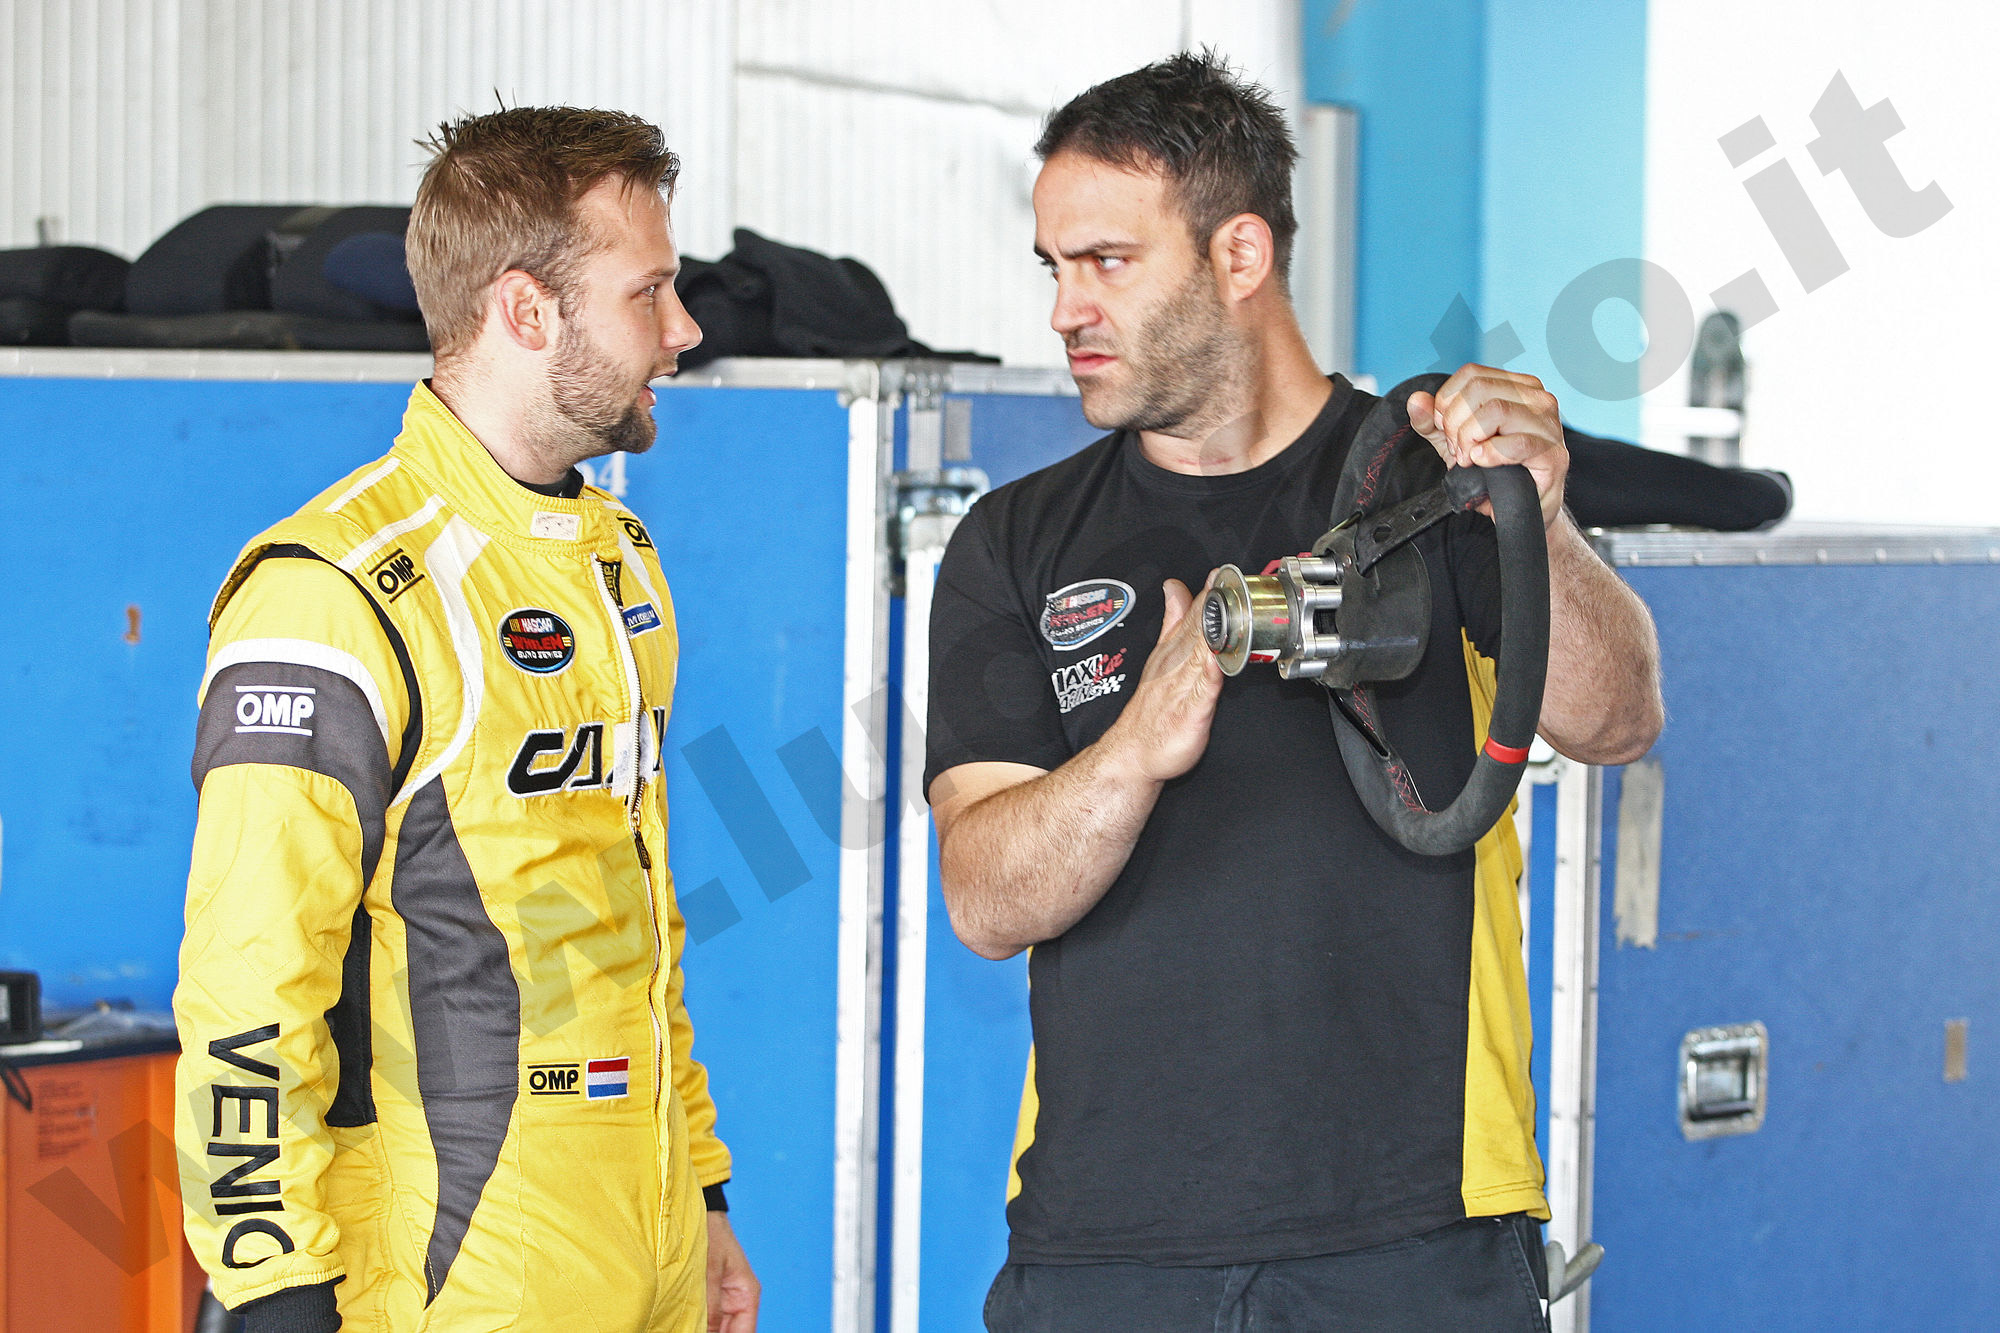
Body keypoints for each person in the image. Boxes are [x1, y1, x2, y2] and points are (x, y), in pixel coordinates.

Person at [924, 53, 1663, 1331]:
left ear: (1239, 254)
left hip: (1414, 1230)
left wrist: (1536, 519)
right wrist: (1136, 745)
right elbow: (984, 899)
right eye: (1052, 267)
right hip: (1106, 1245)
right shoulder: (1016, 540)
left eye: (1105, 262)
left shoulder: (1432, 485)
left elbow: (1616, 717)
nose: (1063, 310)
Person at [173, 107, 759, 1333]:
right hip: (448, 1278)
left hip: (645, 1250)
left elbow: (637, 922)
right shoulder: (331, 594)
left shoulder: (618, 561)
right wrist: (272, 1287)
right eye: (648, 291)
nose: (685, 329)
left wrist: (701, 1196)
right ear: (526, 311)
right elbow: (247, 985)